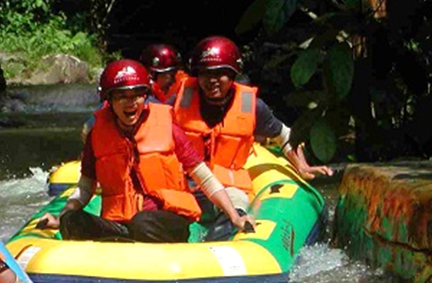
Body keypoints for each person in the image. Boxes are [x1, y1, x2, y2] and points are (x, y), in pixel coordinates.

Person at [37, 59, 255, 243]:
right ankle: (122, 243)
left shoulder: (167, 127)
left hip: (168, 221)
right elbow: (85, 186)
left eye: (137, 95)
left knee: (142, 222)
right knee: (73, 221)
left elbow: (205, 178)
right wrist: (63, 216)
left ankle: (127, 244)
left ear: (145, 97)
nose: (131, 103)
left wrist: (234, 216)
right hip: (122, 224)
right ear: (110, 101)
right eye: (122, 96)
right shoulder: (97, 134)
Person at [171, 35, 333, 219]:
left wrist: (302, 166)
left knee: (236, 209)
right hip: (185, 182)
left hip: (228, 187)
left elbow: (284, 134)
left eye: (220, 74)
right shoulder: (180, 101)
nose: (212, 80)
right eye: (206, 73)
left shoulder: (252, 106)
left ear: (232, 74)